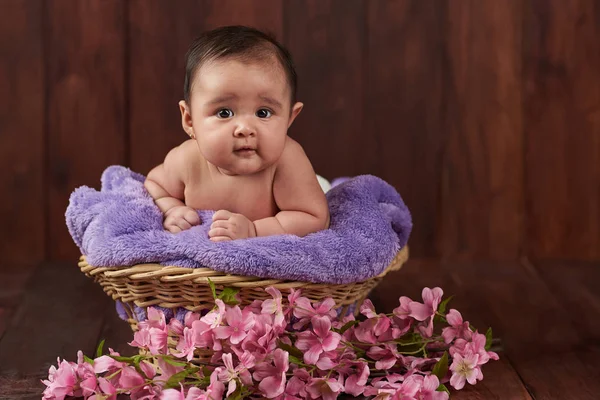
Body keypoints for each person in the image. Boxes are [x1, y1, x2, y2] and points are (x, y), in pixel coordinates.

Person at [144, 26, 330, 242]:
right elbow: (154, 186)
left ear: (290, 118)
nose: (245, 128)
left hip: (310, 187)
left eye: (263, 112)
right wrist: (172, 209)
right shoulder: (186, 160)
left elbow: (314, 217)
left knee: (321, 188)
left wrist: (254, 231)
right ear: (189, 120)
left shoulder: (287, 161)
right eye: (224, 113)